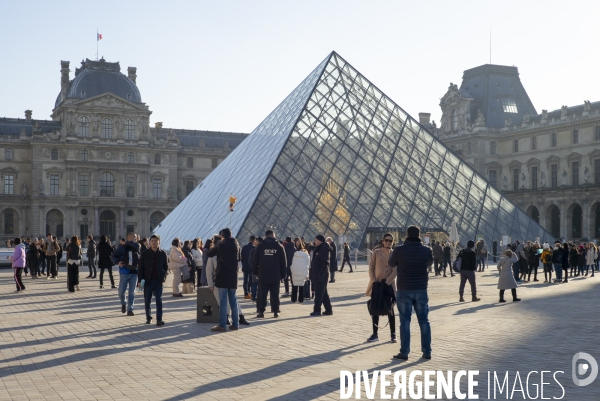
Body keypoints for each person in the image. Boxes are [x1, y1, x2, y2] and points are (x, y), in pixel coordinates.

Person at [387, 225, 432, 360]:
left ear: (407, 235)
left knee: (405, 322)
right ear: (419, 235)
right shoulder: (426, 250)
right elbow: (430, 263)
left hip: (404, 288)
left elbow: (391, 263)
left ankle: (405, 352)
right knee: (424, 321)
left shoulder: (399, 250)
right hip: (421, 289)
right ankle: (427, 351)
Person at [366, 232, 397, 343]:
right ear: (383, 241)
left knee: (390, 309)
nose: (388, 242)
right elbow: (371, 267)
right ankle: (375, 334)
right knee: (375, 308)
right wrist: (374, 280)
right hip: (377, 284)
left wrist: (387, 282)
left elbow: (395, 271)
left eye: (390, 241)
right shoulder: (376, 252)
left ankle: (393, 334)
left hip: (388, 285)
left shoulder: (394, 254)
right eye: (386, 240)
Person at [211, 228, 242, 331]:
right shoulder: (236, 245)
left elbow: (209, 253)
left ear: (222, 236)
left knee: (223, 301)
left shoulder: (221, 244)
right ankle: (236, 324)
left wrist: (216, 244)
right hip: (233, 276)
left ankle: (222, 325)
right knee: (233, 300)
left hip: (223, 275)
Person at [252, 230, 286, 318]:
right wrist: (283, 275)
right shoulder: (279, 246)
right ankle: (276, 311)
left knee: (262, 294)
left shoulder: (260, 246)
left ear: (266, 236)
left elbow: (255, 261)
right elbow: (283, 262)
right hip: (275, 274)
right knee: (275, 294)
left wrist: (255, 272)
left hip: (263, 274)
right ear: (273, 235)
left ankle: (261, 311)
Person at [138, 234, 168, 326]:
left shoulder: (163, 253)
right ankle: (148, 317)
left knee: (159, 300)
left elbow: (166, 267)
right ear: (149, 242)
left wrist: (163, 276)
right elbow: (141, 268)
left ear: (159, 242)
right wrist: (139, 281)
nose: (154, 242)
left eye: (156, 241)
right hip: (148, 281)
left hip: (158, 281)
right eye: (152, 241)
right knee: (147, 301)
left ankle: (159, 319)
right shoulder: (145, 253)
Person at [309, 234, 333, 317]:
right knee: (324, 293)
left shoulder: (323, 249)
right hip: (318, 274)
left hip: (321, 275)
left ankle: (317, 310)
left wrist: (321, 274)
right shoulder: (319, 248)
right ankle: (328, 310)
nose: (315, 241)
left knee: (319, 293)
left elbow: (325, 263)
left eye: (316, 240)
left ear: (320, 241)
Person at [117, 233, 141, 315]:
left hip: (134, 273)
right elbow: (113, 256)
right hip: (124, 272)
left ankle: (130, 309)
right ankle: (123, 303)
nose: (135, 239)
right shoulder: (123, 247)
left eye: (136, 238)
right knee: (121, 291)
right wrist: (118, 262)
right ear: (129, 238)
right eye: (134, 238)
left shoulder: (138, 248)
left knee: (132, 292)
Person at [248, 237, 261, 302]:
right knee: (260, 284)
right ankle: (259, 296)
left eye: (256, 241)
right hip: (262, 270)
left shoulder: (253, 250)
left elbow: (250, 260)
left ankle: (254, 296)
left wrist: (253, 267)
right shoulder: (263, 250)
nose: (254, 242)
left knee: (254, 284)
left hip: (255, 269)